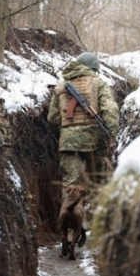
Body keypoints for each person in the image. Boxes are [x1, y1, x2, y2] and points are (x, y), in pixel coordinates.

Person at [47, 52, 120, 247]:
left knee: (71, 187)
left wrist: (66, 134)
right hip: (95, 143)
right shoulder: (98, 83)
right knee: (99, 182)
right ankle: (97, 229)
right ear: (93, 68)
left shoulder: (61, 87)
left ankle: (68, 232)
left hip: (68, 144)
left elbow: (53, 119)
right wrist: (112, 133)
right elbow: (110, 109)